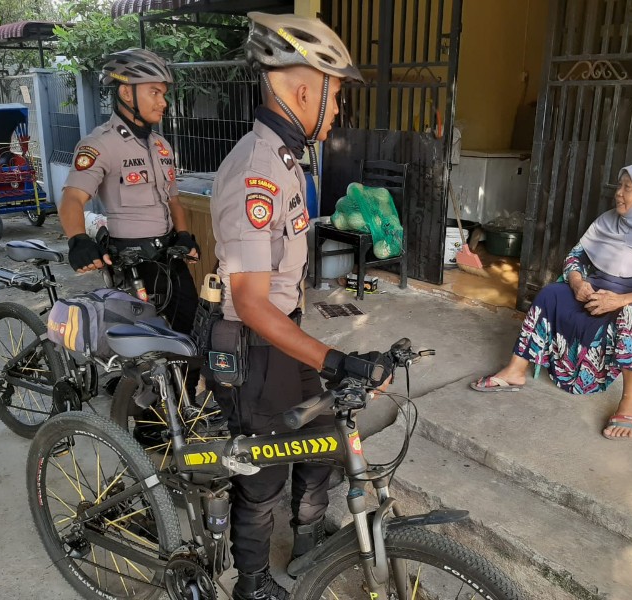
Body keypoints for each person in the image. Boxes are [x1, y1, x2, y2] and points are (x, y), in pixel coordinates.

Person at [207, 13, 392, 600]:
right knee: (261, 477)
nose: (337, 110)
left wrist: (326, 359)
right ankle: (253, 583)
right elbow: (249, 302)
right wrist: (335, 359)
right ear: (305, 90)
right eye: (335, 96)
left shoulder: (287, 158)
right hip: (253, 345)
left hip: (282, 332)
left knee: (323, 430)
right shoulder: (256, 172)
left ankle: (309, 534)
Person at [471, 162, 632, 441]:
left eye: (628, 188)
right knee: (551, 293)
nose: (619, 193)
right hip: (595, 290)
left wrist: (621, 300)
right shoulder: (607, 220)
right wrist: (577, 283)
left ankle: (630, 401)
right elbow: (575, 258)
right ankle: (515, 370)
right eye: (620, 186)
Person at [58, 48, 200, 335]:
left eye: (163, 94)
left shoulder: (161, 145)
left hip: (169, 255)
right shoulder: (100, 144)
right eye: (154, 92)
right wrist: (78, 240)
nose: (163, 102)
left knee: (193, 329)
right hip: (132, 261)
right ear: (126, 93)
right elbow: (72, 197)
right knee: (143, 343)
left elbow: (173, 199)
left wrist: (184, 234)